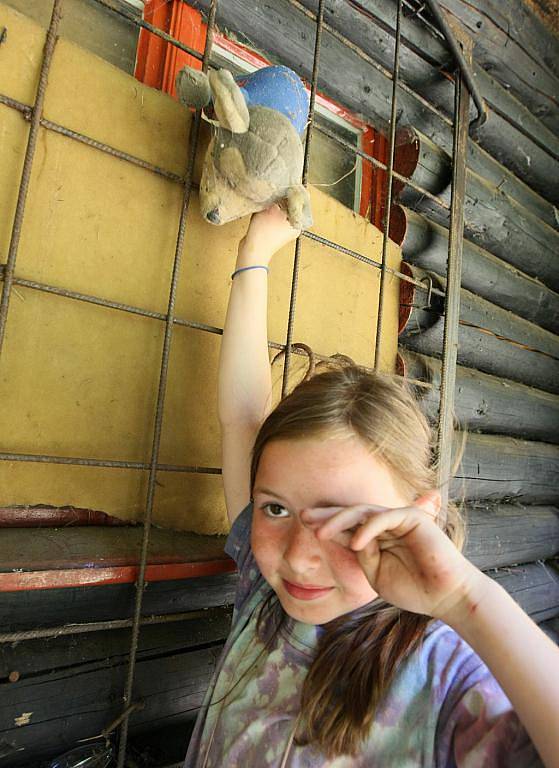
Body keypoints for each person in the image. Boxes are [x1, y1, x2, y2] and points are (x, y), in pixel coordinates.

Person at [184, 205, 559, 767]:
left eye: (348, 521)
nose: (302, 559)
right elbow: (242, 417)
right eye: (277, 509)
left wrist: (465, 597)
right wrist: (254, 253)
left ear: (418, 518)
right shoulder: (266, 593)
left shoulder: (445, 679)